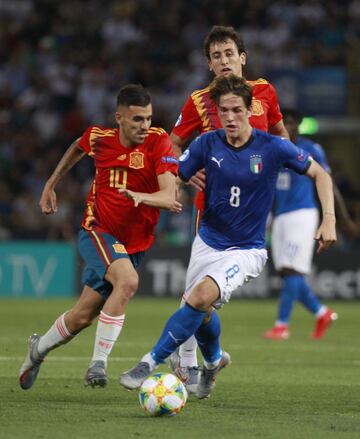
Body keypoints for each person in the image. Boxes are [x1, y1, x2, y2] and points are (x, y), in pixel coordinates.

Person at [119, 75, 337, 399]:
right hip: (207, 241)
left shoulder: (273, 147)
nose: (231, 118)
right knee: (203, 312)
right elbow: (174, 175)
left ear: (250, 109)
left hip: (246, 250)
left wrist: (329, 220)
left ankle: (149, 362)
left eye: (237, 110)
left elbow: (319, 173)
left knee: (198, 297)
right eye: (224, 111)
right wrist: (148, 188)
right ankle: (213, 361)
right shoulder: (207, 144)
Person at [19, 84, 181, 390]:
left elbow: (168, 194)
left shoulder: (159, 141)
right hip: (98, 230)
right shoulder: (100, 138)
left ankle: (37, 349)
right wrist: (50, 184)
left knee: (82, 316)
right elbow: (77, 148)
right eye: (136, 120)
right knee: (129, 282)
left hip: (134, 243)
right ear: (119, 118)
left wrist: (140, 196)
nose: (144, 126)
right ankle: (98, 364)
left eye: (147, 118)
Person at [169, 25, 289, 392]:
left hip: (252, 215)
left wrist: (284, 163)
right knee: (196, 295)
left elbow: (282, 135)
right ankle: (192, 366)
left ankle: (205, 360)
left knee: (202, 299)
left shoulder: (265, 92)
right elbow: (170, 146)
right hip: (210, 214)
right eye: (216, 56)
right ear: (209, 64)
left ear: (243, 58)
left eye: (229, 54)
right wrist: (186, 175)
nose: (224, 61)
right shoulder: (198, 101)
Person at [264, 109, 358, 340]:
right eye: (284, 122)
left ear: (299, 125)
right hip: (280, 216)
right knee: (286, 272)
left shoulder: (311, 149)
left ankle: (281, 325)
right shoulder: (271, 149)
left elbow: (328, 182)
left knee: (293, 270)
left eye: (292, 123)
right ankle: (322, 312)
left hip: (302, 214)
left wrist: (341, 218)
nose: (288, 126)